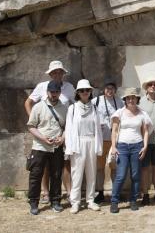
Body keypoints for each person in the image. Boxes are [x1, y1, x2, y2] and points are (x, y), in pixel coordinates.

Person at [24, 60, 75, 203]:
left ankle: (67, 192)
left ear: (63, 73)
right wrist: (35, 121)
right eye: (54, 72)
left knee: (63, 163)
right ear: (50, 74)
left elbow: (75, 105)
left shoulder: (69, 87)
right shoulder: (42, 87)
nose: (57, 74)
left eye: (60, 71)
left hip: (63, 131)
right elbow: (28, 102)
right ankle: (46, 192)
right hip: (44, 134)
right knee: (44, 165)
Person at [27, 80, 67, 215]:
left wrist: (62, 138)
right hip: (40, 146)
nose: (54, 94)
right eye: (52, 92)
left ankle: (55, 201)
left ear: (60, 93)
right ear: (47, 92)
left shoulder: (65, 108)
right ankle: (33, 202)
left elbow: (68, 127)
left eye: (56, 92)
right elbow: (31, 126)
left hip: (56, 147)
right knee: (35, 175)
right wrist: (43, 138)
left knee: (56, 175)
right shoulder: (38, 107)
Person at [109, 87, 151, 214]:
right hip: (122, 146)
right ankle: (114, 202)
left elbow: (145, 132)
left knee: (135, 175)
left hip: (137, 146)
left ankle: (133, 200)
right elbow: (114, 131)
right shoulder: (119, 113)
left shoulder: (142, 114)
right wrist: (114, 146)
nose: (131, 100)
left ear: (137, 99)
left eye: (133, 97)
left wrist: (145, 147)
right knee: (121, 175)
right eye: (128, 98)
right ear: (125, 100)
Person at [64, 79, 102, 213]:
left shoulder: (95, 108)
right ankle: (75, 202)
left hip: (91, 141)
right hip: (77, 143)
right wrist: (69, 148)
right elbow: (68, 130)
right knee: (76, 173)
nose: (85, 92)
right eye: (82, 90)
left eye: (87, 90)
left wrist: (99, 146)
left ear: (90, 92)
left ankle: (90, 200)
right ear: (78, 93)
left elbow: (98, 128)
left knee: (91, 173)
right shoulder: (72, 108)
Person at [94, 80, 123, 203]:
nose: (109, 91)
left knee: (114, 166)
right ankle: (100, 192)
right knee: (99, 167)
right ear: (103, 90)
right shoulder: (96, 101)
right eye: (107, 88)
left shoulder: (120, 102)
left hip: (115, 140)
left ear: (115, 90)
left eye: (112, 88)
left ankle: (115, 192)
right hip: (100, 139)